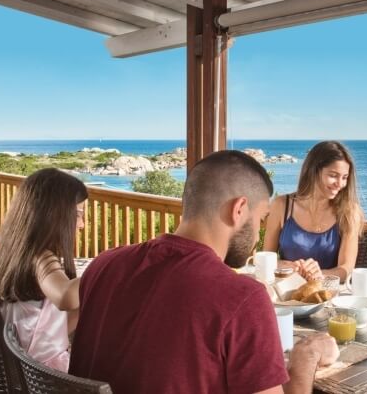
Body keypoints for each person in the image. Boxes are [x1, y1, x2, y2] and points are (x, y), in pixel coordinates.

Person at [69, 150, 339, 394]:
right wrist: (307, 357)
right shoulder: (243, 298)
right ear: (239, 209)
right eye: (260, 219)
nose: (258, 232)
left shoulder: (103, 265)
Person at [0, 168, 87, 372]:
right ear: (55, 216)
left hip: (17, 370)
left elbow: (47, 326)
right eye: (79, 215)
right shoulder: (40, 257)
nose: (82, 224)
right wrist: (108, 268)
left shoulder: (14, 254)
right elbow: (66, 297)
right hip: (43, 376)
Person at [263, 141, 364, 282]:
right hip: (285, 293)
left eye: (344, 177)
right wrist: (288, 266)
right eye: (333, 175)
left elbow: (346, 269)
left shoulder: (349, 212)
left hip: (327, 295)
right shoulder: (281, 205)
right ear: (314, 171)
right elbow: (266, 257)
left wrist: (319, 275)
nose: (340, 184)